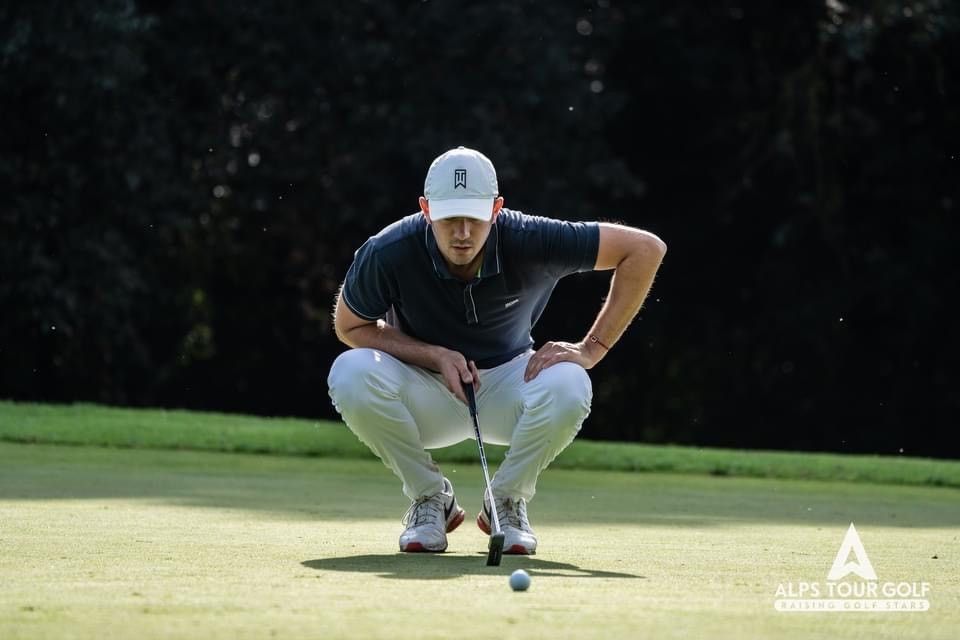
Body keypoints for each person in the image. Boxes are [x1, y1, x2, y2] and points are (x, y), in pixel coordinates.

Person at [327, 146, 666, 555]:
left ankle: (506, 500)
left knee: (571, 381)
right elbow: (349, 325)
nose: (463, 232)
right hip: (423, 390)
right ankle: (430, 498)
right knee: (350, 372)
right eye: (450, 217)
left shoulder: (532, 238)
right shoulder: (389, 250)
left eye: (475, 216)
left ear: (497, 208)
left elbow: (645, 250)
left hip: (510, 384)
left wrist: (591, 349)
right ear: (426, 208)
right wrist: (433, 354)